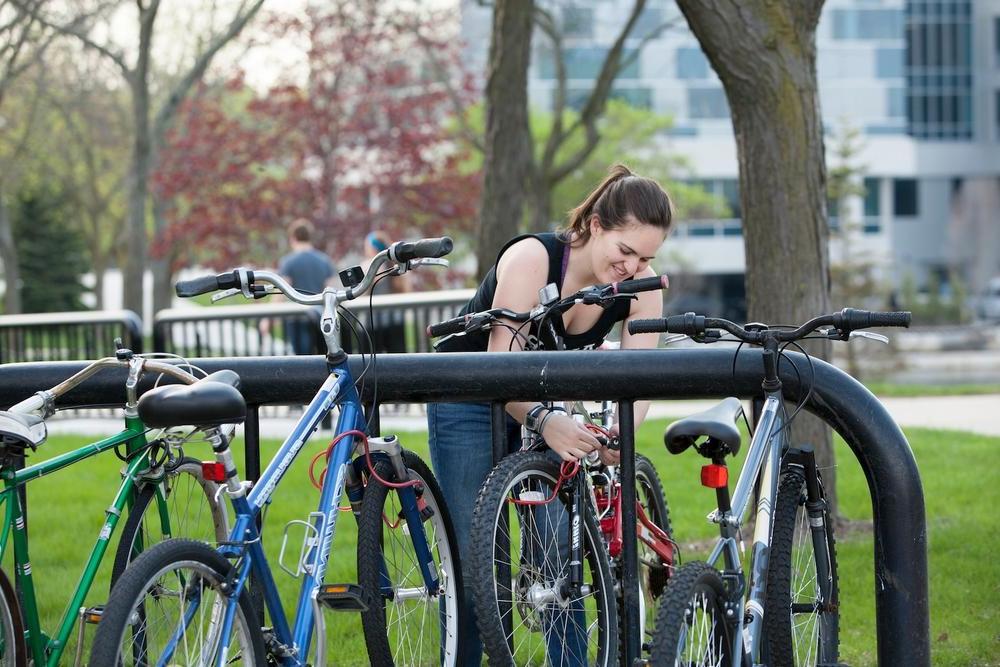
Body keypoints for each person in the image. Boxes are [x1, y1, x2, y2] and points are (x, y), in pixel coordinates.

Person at [428, 164, 673, 665]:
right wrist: (544, 421)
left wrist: (619, 433)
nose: (633, 266)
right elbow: (500, 369)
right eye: (625, 251)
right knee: (480, 563)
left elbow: (639, 376)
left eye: (646, 256)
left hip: (544, 402)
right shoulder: (533, 258)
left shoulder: (642, 284)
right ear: (597, 226)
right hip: (470, 397)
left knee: (559, 554)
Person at [266, 218, 337, 355]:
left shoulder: (288, 262)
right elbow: (331, 290)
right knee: (324, 357)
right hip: (321, 317)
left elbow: (280, 292)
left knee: (302, 360)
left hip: (296, 317)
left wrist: (268, 319)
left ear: (293, 238)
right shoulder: (324, 260)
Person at [363, 230, 412, 354]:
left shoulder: (369, 266)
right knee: (397, 359)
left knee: (373, 362)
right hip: (396, 320)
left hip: (374, 322)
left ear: (372, 248)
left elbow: (362, 294)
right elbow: (407, 291)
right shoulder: (398, 266)